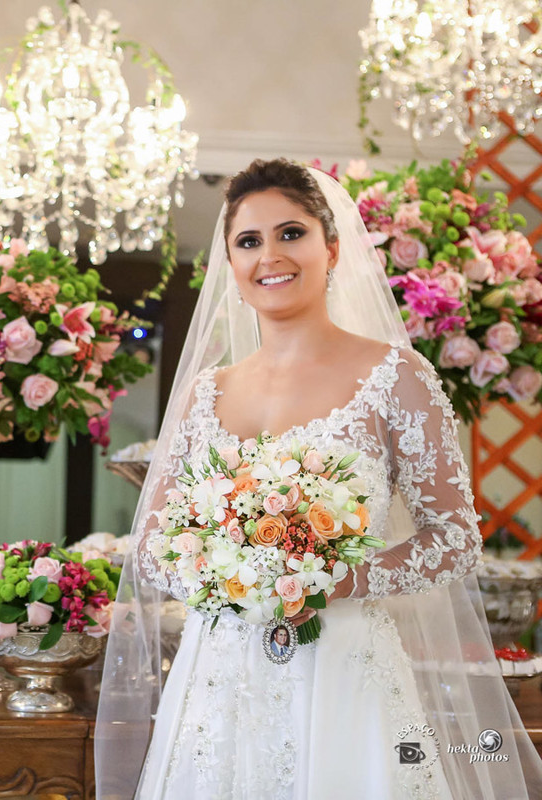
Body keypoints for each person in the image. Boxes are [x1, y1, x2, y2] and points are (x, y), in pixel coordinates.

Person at [96, 159, 542, 799]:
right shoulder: (203, 394)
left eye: (291, 233)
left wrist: (334, 579)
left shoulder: (397, 377)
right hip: (220, 674)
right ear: (231, 266)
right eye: (248, 242)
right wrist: (228, 571)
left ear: (331, 248)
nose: (270, 255)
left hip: (344, 665)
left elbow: (453, 538)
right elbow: (153, 541)